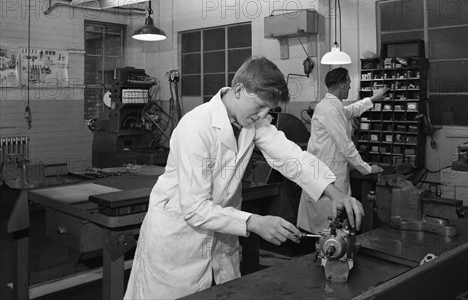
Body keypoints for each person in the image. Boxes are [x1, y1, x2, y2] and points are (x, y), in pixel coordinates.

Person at [124, 57, 364, 300]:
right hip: (178, 236)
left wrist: (335, 193)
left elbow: (291, 157)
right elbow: (194, 208)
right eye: (259, 106)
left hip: (219, 233)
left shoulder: (253, 122)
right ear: (238, 90)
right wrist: (254, 223)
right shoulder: (195, 127)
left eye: (268, 110)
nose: (262, 115)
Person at [297, 67, 388, 234]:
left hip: (328, 171)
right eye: (349, 84)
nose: (350, 88)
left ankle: (330, 253)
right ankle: (329, 255)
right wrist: (367, 169)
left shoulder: (332, 106)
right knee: (329, 227)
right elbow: (346, 146)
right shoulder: (330, 109)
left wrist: (373, 99)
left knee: (331, 226)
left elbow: (350, 111)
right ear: (341, 84)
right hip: (327, 173)